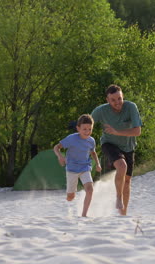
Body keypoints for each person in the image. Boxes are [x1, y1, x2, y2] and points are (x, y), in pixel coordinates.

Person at [91, 84, 142, 215]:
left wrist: (116, 131)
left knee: (127, 181)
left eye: (119, 98)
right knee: (122, 166)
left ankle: (123, 214)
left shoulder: (131, 107)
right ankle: (118, 197)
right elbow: (87, 124)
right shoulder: (101, 111)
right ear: (107, 100)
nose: (117, 102)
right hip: (109, 144)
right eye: (113, 100)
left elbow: (137, 131)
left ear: (122, 96)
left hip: (128, 147)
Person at [54, 114, 102, 217]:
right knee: (71, 197)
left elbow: (93, 152)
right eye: (84, 129)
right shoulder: (71, 139)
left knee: (90, 189)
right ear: (78, 128)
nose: (87, 132)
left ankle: (84, 214)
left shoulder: (91, 141)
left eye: (90, 129)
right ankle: (67, 201)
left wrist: (98, 163)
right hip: (72, 169)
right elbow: (56, 147)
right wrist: (60, 157)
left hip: (85, 168)